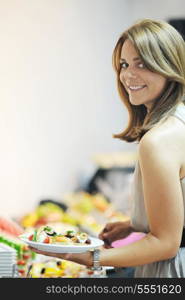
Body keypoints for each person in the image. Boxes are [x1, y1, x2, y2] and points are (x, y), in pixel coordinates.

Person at [30, 19, 185, 278]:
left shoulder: (157, 141)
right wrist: (134, 224)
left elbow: (166, 244)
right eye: (124, 64)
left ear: (169, 66)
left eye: (142, 64)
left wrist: (90, 257)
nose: (127, 75)